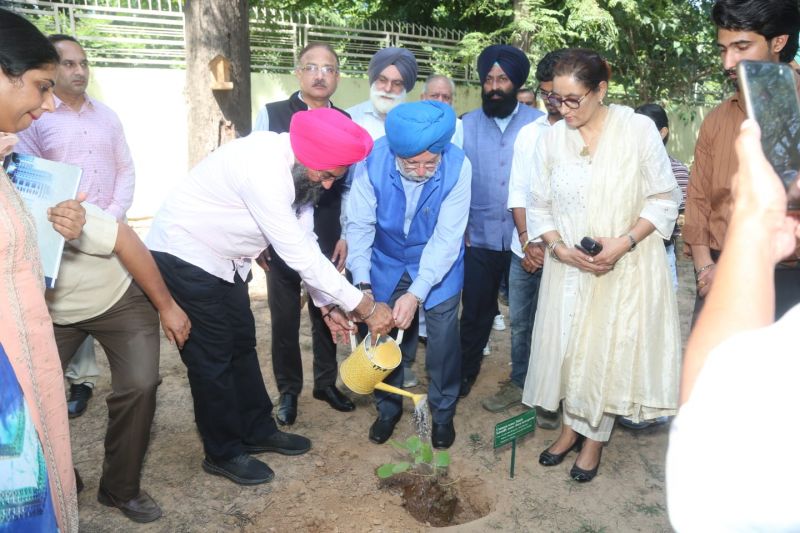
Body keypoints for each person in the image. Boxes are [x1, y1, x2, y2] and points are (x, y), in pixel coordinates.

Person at [146, 108, 394, 486]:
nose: (327, 186)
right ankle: (222, 450)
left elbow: (305, 239)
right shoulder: (263, 167)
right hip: (186, 255)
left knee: (243, 344)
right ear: (309, 158)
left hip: (225, 261)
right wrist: (364, 306)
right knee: (211, 357)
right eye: (326, 175)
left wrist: (325, 302)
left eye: (334, 179)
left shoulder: (300, 173)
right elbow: (295, 252)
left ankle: (257, 429)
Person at [522, 48, 681, 483]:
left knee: (604, 355)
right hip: (567, 269)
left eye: (575, 100)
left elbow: (665, 197)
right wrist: (556, 247)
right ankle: (570, 430)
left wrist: (624, 242)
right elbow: (539, 204)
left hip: (621, 267)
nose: (564, 109)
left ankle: (592, 441)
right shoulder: (552, 138)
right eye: (556, 99)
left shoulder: (637, 130)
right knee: (570, 351)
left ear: (601, 90)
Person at [667, 120, 800, 531]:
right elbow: (699, 195)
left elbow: (710, 478)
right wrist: (710, 261)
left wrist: (753, 222)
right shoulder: (717, 121)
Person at [16, 34, 137, 419]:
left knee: (117, 303)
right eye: (69, 64)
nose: (79, 71)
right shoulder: (35, 119)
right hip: (61, 235)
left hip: (110, 228)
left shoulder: (107, 115)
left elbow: (125, 167)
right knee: (67, 312)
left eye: (84, 63)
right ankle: (80, 381)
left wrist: (112, 216)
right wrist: (67, 224)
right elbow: (31, 180)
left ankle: (133, 381)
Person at [47, 202, 190, 523]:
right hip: (49, 315)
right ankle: (60, 479)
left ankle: (119, 488)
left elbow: (125, 239)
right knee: (24, 400)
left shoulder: (43, 190)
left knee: (140, 384)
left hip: (116, 298)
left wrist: (166, 306)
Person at [346, 100, 471, 449]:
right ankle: (388, 409)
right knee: (382, 332)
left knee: (444, 343)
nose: (420, 170)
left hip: (438, 264)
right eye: (411, 163)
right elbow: (358, 225)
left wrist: (416, 293)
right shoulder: (371, 160)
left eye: (430, 162)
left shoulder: (460, 166)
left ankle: (443, 413)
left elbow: (447, 239)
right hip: (384, 259)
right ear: (396, 152)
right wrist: (364, 285)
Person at [0, 8, 79, 531]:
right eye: (40, 86)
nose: (49, 104)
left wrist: (53, 225)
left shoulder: (6, 157)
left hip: (24, 361)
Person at [253, 43, 355, 426]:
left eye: (328, 69)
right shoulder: (273, 114)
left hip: (327, 229)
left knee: (326, 306)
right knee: (284, 317)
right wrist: (262, 239)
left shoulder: (345, 119)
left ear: (337, 76)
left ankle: (326, 383)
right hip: (278, 230)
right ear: (298, 72)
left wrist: (345, 233)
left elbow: (348, 187)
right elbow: (256, 176)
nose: (319, 75)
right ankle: (289, 390)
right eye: (311, 67)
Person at [684, 0, 800, 323]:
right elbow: (697, 202)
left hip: (790, 283)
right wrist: (706, 267)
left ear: (778, 41)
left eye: (741, 46)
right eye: (722, 50)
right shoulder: (716, 120)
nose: (728, 62)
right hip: (718, 279)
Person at [482, 50, 564, 427]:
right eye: (547, 93)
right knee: (522, 322)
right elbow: (517, 192)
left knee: (557, 323)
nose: (553, 101)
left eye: (559, 93)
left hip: (565, 252)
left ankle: (552, 394)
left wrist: (548, 246)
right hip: (524, 249)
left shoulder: (585, 133)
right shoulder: (529, 134)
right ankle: (519, 383)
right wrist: (529, 242)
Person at [459, 44, 543, 398]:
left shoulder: (539, 125)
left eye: (503, 79)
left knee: (528, 316)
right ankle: (465, 373)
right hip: (478, 236)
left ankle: (530, 380)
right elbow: (456, 181)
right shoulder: (466, 125)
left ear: (516, 82)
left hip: (526, 242)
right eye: (489, 79)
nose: (494, 86)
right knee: (475, 312)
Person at [346, 47, 418, 140]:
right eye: (382, 80)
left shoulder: (417, 124)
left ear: (406, 87)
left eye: (397, 83)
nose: (388, 89)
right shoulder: (351, 118)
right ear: (373, 80)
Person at [420, 73, 464, 148]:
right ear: (423, 98)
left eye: (446, 97)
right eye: (435, 96)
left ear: (451, 101)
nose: (440, 101)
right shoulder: (410, 124)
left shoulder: (461, 127)